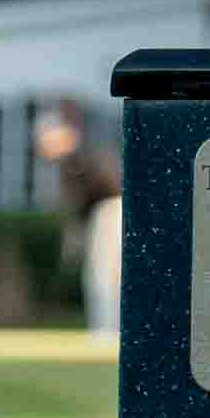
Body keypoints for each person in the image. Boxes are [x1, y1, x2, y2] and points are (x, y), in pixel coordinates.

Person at [36, 103, 126, 339]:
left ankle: (107, 331)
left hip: (111, 210)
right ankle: (105, 329)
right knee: (102, 275)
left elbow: (83, 200)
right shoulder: (76, 156)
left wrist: (74, 233)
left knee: (105, 275)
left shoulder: (77, 156)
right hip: (107, 212)